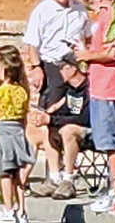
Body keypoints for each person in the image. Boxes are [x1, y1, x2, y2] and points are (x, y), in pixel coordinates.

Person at [74, 0, 115, 213]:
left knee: (111, 145)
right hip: (99, 87)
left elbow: (112, 53)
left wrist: (86, 54)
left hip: (109, 89)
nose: (86, 1)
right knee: (107, 143)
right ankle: (113, 190)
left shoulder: (111, 15)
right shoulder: (101, 19)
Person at [0, 45, 35, 223]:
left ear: (3, 69)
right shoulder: (22, 92)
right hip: (18, 131)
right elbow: (25, 117)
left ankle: (8, 209)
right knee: (18, 175)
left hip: (2, 132)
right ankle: (22, 211)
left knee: (5, 174)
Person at [20, 0, 86, 98]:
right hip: (52, 66)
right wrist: (36, 68)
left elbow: (88, 35)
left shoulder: (79, 8)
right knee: (52, 107)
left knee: (77, 108)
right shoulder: (42, 11)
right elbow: (32, 43)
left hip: (75, 66)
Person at [36, 58, 92, 200]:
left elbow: (84, 118)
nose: (60, 71)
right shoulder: (69, 90)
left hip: (90, 130)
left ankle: (68, 179)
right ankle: (55, 177)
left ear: (74, 69)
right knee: (47, 129)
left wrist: (54, 120)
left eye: (63, 67)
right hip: (73, 127)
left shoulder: (88, 89)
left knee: (68, 130)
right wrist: (47, 117)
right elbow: (65, 111)